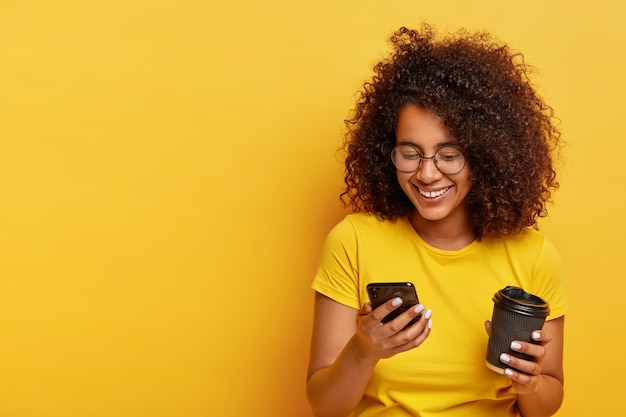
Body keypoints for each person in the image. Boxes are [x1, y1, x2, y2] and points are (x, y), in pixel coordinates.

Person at [307, 24, 567, 417]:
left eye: (449, 154)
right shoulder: (353, 241)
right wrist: (364, 350)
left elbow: (548, 403)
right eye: (409, 153)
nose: (426, 174)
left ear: (484, 156)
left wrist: (527, 383)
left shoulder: (534, 256)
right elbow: (325, 407)